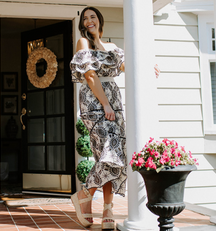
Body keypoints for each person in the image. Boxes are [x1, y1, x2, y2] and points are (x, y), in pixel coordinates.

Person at [69, 6, 160, 230]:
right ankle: (85, 195)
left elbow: (127, 66)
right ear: (83, 24)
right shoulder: (83, 43)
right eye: (85, 18)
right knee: (110, 151)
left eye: (93, 17)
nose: (89, 21)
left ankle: (106, 208)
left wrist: (149, 66)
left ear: (99, 20)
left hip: (114, 102)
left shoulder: (111, 47)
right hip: (95, 102)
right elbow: (90, 76)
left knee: (113, 154)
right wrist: (105, 104)